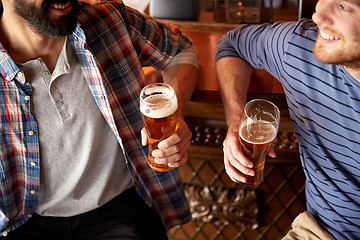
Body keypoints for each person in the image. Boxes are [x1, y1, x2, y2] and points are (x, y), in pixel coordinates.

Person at [0, 0, 199, 239]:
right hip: (23, 223)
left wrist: (173, 112)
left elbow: (180, 50)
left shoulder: (110, 21)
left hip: (119, 209)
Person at [215, 0, 360, 239]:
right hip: (319, 233)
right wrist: (235, 124)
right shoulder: (299, 46)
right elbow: (233, 44)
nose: (318, 15)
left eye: (343, 6)